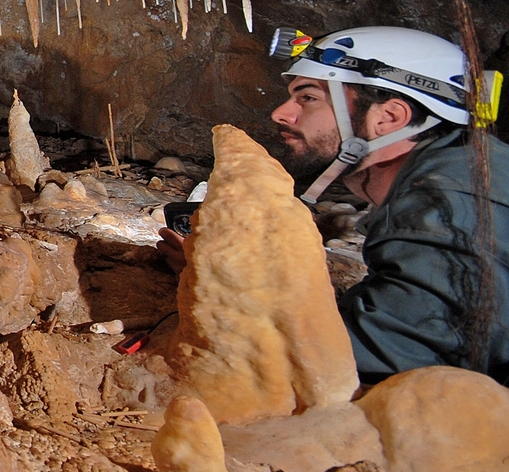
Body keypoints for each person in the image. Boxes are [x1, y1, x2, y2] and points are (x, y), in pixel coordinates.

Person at [161, 26, 509, 385]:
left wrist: (223, 292)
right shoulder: (462, 176)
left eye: (308, 98)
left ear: (388, 118)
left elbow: (380, 352)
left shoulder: (447, 203)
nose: (282, 114)